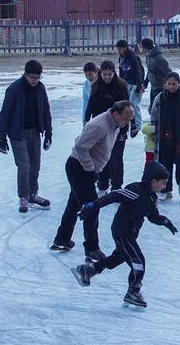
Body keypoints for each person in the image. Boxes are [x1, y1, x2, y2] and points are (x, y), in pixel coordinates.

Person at [72, 161, 177, 309]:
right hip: (122, 232)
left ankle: (88, 270)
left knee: (116, 259)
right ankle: (133, 292)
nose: (164, 187)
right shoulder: (135, 190)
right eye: (162, 183)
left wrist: (165, 221)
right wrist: (93, 205)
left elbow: (153, 216)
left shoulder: (152, 197)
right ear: (153, 181)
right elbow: (114, 196)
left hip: (131, 233)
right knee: (138, 262)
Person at [52, 100, 136, 262]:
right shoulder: (99, 125)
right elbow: (80, 147)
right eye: (126, 119)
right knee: (92, 207)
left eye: (129, 120)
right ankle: (92, 248)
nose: (126, 123)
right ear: (116, 113)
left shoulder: (115, 124)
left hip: (87, 169)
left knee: (74, 204)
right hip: (79, 168)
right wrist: (90, 169)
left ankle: (62, 239)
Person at [0, 60, 53, 214]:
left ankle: (32, 194)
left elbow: (46, 110)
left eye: (38, 77)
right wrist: (1, 138)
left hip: (35, 131)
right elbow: (5, 114)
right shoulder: (14, 89)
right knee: (24, 165)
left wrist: (48, 132)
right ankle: (23, 196)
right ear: (26, 74)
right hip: (17, 132)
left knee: (35, 165)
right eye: (32, 77)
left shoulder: (40, 88)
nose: (35, 81)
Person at [85, 60, 139, 195]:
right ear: (100, 73)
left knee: (116, 157)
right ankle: (102, 184)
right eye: (105, 74)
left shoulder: (121, 85)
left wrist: (132, 124)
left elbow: (128, 106)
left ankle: (116, 186)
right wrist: (86, 121)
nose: (107, 77)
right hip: (101, 128)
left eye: (110, 74)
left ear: (114, 73)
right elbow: (90, 105)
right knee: (101, 156)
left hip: (119, 127)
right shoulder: (96, 86)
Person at [149, 72, 180, 202]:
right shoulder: (160, 97)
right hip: (165, 135)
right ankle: (165, 190)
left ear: (179, 83)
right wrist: (154, 132)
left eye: (174, 84)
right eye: (169, 84)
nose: (171, 86)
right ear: (166, 84)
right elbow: (153, 115)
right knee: (165, 163)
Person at [116, 39, 146, 122]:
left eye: (120, 49)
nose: (118, 51)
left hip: (135, 84)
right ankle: (130, 122)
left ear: (125, 48)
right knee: (127, 104)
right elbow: (121, 72)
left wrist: (139, 86)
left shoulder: (134, 57)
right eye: (117, 49)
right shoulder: (121, 58)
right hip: (127, 84)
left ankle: (138, 124)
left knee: (134, 105)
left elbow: (139, 72)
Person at [141, 38, 172, 111]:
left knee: (157, 109)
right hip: (154, 85)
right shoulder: (148, 55)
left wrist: (168, 84)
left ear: (145, 47)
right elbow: (150, 70)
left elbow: (169, 72)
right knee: (152, 109)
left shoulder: (158, 58)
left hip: (161, 86)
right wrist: (146, 82)